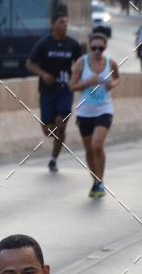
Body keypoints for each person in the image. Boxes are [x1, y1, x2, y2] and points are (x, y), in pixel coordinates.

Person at [26, 10, 81, 173]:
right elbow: (29, 63)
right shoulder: (43, 44)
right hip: (47, 91)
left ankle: (53, 159)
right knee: (48, 130)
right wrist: (43, 74)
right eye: (61, 23)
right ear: (53, 26)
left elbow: (80, 65)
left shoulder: (73, 45)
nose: (65, 26)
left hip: (65, 91)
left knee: (60, 125)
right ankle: (57, 140)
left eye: (66, 22)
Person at [70, 32, 119, 198]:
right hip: (85, 112)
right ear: (89, 47)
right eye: (94, 48)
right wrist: (89, 82)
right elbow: (72, 86)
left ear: (105, 47)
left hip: (104, 109)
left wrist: (112, 84)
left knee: (97, 144)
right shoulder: (81, 63)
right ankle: (95, 182)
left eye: (101, 48)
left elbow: (117, 78)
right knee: (89, 149)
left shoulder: (110, 63)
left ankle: (101, 181)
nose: (98, 51)